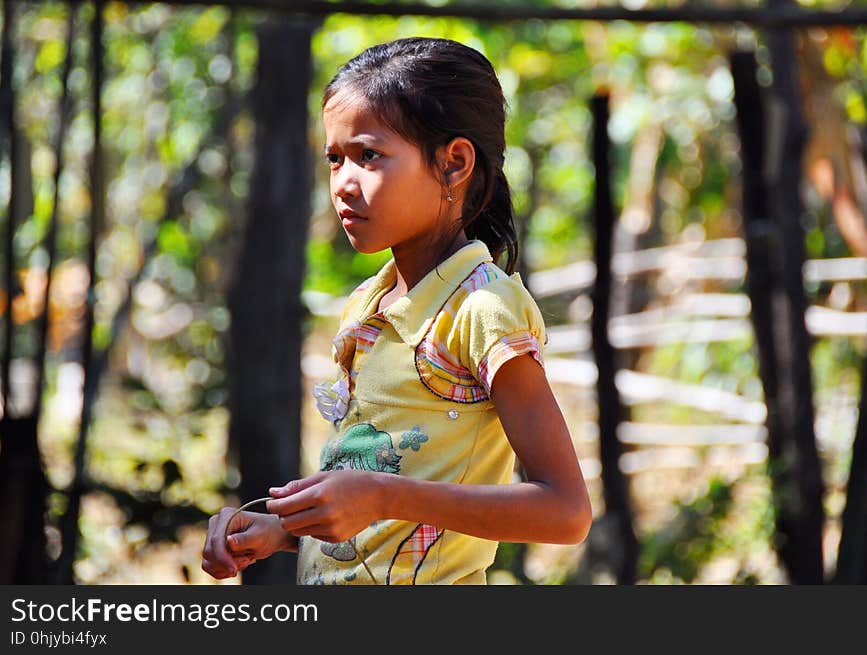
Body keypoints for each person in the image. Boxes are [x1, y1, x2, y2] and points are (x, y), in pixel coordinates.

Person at [202, 37, 591, 585]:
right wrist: (281, 532)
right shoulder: (367, 305)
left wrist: (381, 494)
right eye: (334, 159)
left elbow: (565, 511)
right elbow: (379, 502)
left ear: (454, 163)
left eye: (369, 155)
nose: (343, 183)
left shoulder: (484, 308)